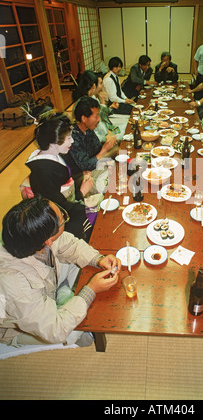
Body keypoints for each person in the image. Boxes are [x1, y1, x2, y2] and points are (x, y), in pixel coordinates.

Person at [0, 195, 121, 347]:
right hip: (17, 328)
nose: (64, 215)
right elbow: (54, 329)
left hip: (44, 286)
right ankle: (66, 303)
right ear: (48, 241)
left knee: (82, 263)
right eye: (63, 217)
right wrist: (90, 290)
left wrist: (98, 259)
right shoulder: (16, 285)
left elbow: (70, 245)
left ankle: (63, 296)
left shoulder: (29, 235)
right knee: (74, 330)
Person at [26, 113, 94, 241]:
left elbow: (69, 174)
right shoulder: (42, 171)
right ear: (54, 141)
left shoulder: (56, 154)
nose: (72, 141)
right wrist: (82, 192)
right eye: (68, 138)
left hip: (71, 200)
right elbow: (57, 206)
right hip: (62, 221)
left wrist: (83, 175)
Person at [63, 96, 117, 194]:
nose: (99, 119)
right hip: (83, 179)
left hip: (96, 169)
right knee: (116, 185)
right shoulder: (73, 137)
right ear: (84, 118)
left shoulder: (88, 130)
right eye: (96, 116)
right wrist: (104, 150)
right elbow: (86, 165)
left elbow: (97, 149)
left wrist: (109, 145)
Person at [72, 70, 121, 142]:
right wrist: (107, 136)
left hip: (97, 134)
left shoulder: (89, 98)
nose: (102, 86)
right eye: (100, 83)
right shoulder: (87, 103)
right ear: (94, 86)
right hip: (94, 139)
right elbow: (98, 124)